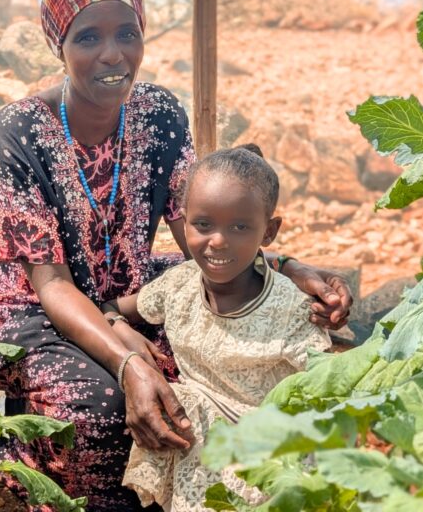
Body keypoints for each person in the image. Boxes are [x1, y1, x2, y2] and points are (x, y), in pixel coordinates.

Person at [0, 0, 352, 511]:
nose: (113, 54)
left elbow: (201, 231)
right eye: (88, 37)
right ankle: (37, 459)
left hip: (126, 287)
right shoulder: (18, 132)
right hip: (32, 308)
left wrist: (290, 269)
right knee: (101, 407)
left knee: (220, 361)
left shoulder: (158, 113)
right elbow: (51, 284)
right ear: (59, 46)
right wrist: (127, 361)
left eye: (127, 33)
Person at [101, 144, 331, 511]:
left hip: (269, 451)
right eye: (203, 224)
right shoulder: (178, 285)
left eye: (240, 227)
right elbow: (111, 307)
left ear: (269, 232)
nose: (218, 241)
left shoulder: (291, 309)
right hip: (198, 441)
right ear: (184, 221)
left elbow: (326, 392)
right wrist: (120, 328)